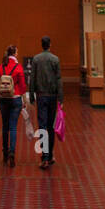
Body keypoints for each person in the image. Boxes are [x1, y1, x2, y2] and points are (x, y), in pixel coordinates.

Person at [28, 35, 63, 169]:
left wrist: (31, 96)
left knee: (42, 125)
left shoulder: (36, 59)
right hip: (53, 96)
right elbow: (59, 79)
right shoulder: (55, 59)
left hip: (41, 96)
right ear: (50, 44)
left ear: (41, 44)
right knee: (51, 126)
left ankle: (45, 156)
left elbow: (32, 78)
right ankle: (50, 155)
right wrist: (61, 98)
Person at [0, 44, 26, 167]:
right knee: (13, 127)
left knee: (4, 126)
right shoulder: (18, 67)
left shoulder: (0, 67)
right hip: (16, 98)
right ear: (15, 54)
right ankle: (12, 151)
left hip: (3, 99)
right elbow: (22, 86)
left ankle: (5, 152)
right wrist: (24, 100)